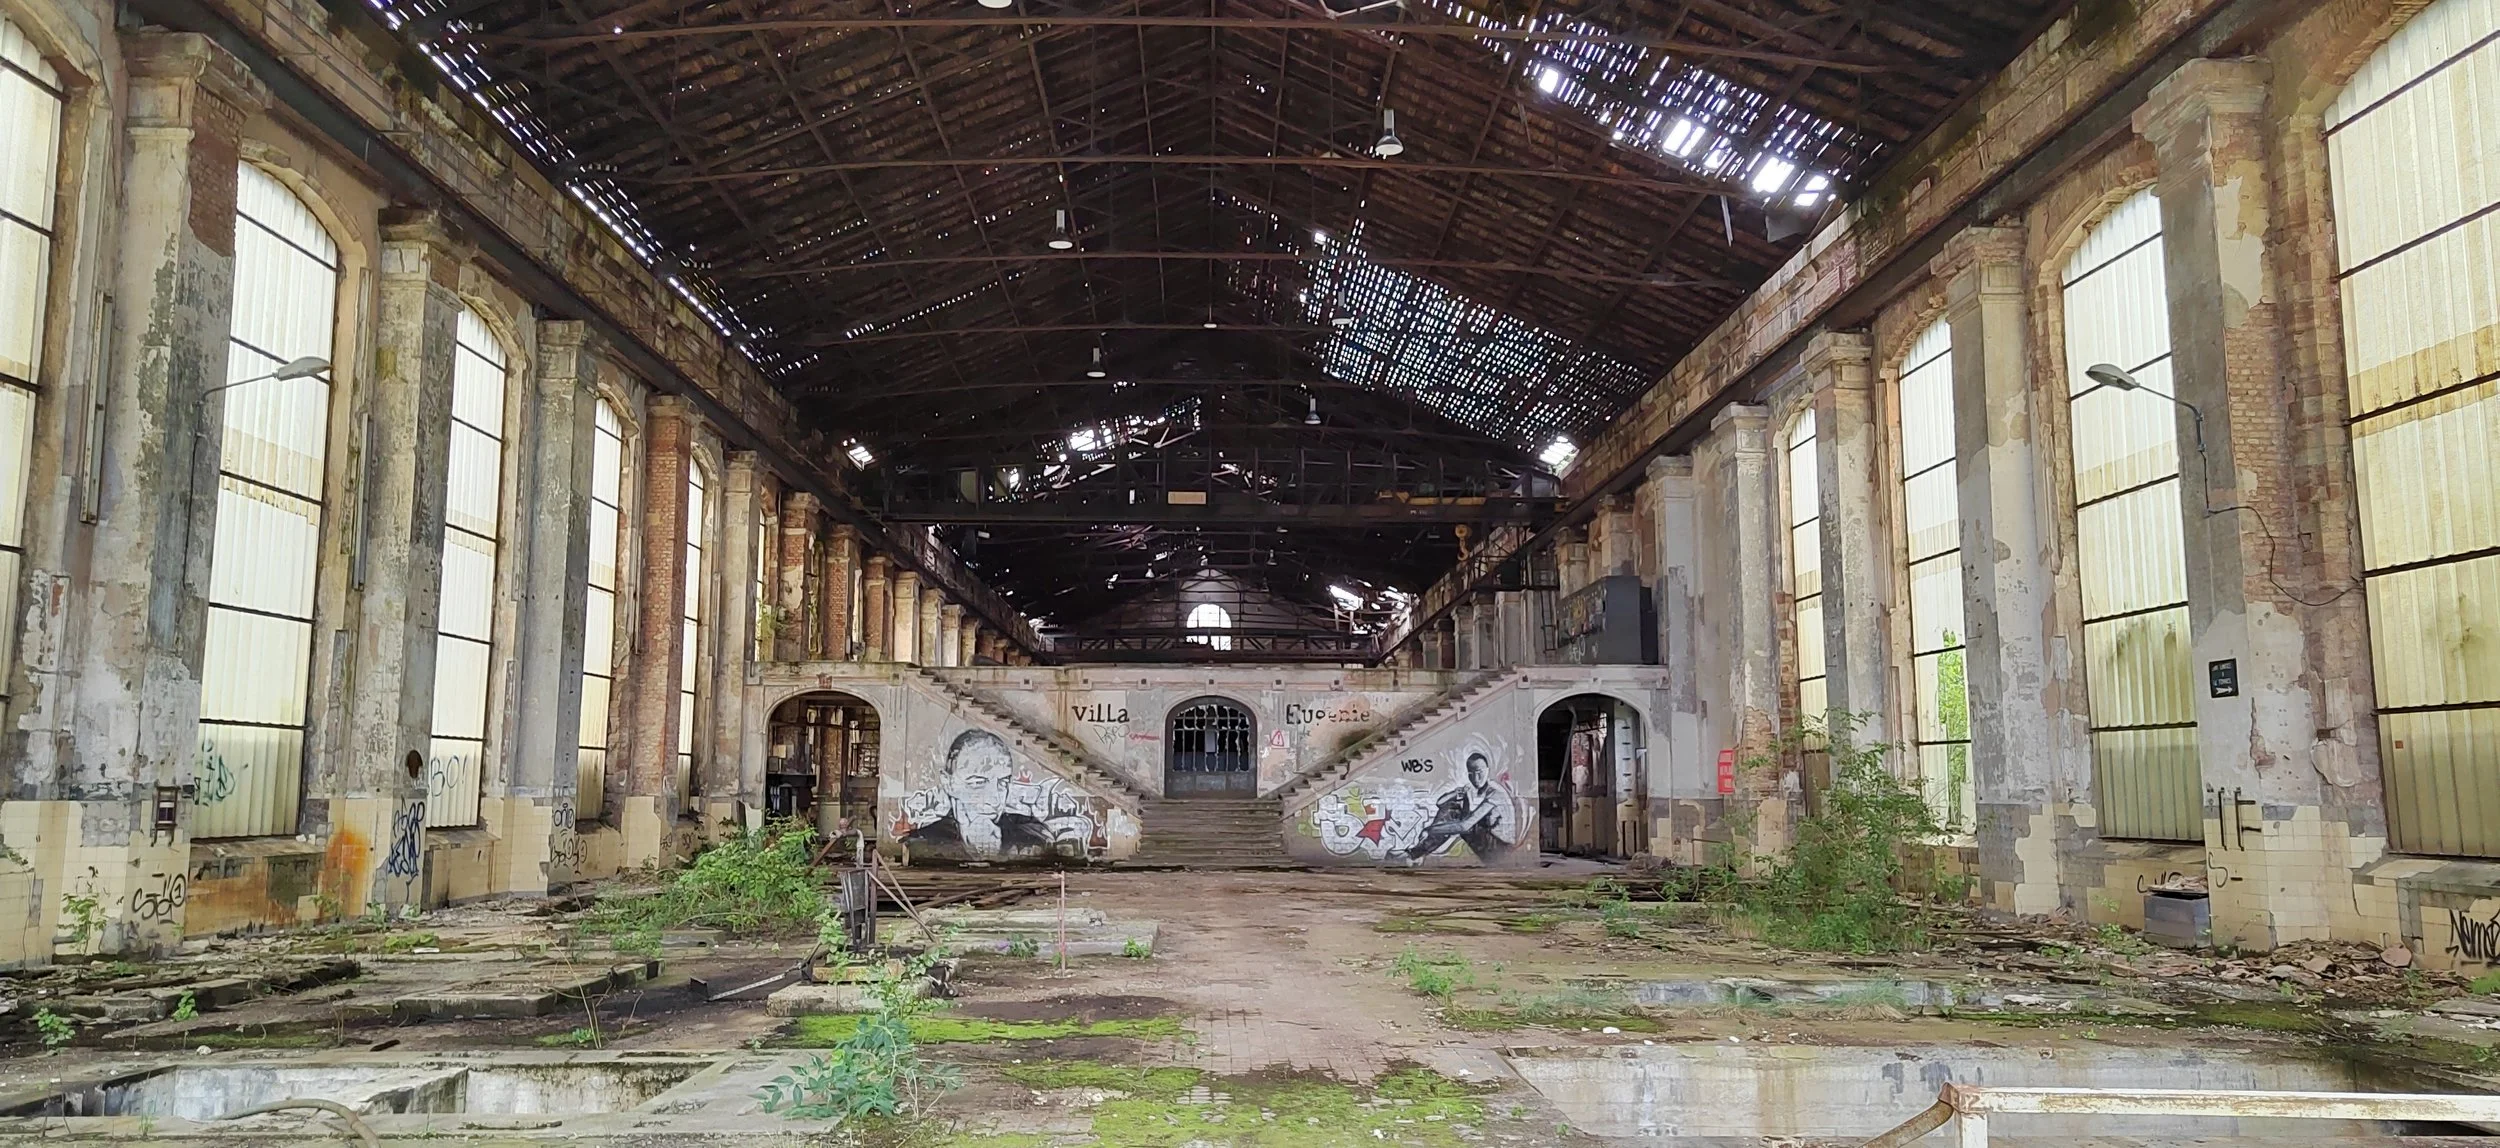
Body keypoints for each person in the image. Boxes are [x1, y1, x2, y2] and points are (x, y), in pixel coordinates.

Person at [1404, 753, 1518, 861]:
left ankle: (1414, 855)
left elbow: (1465, 826)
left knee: (1456, 815)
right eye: (1471, 774)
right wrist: (1455, 793)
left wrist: (1430, 829)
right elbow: (1440, 803)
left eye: (1479, 772)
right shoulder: (1475, 790)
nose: (1476, 778)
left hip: (1502, 848)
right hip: (1491, 844)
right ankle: (1415, 854)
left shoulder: (1495, 793)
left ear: (1487, 771)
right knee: (1453, 808)